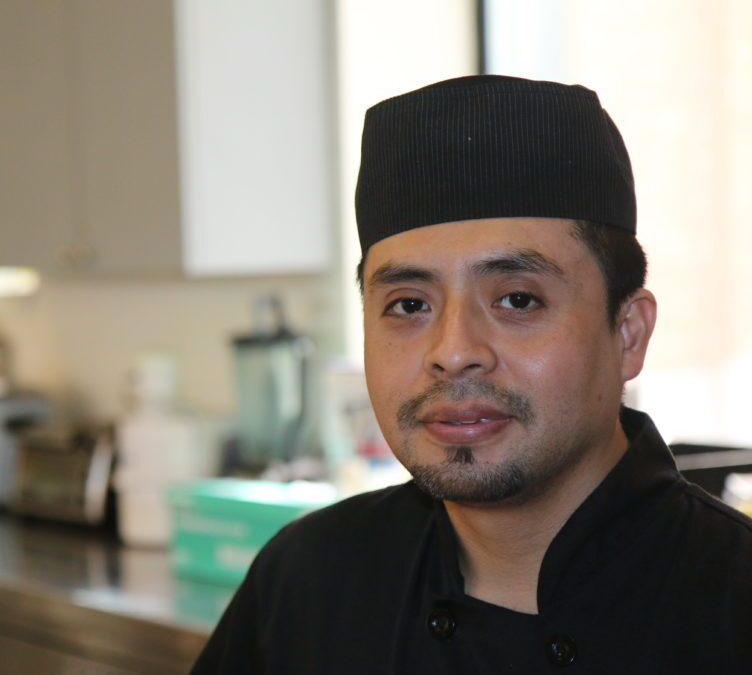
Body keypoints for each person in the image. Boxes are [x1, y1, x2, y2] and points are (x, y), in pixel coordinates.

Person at [191, 75, 752, 673]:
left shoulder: (733, 603)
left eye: (517, 299)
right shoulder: (309, 580)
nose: (453, 352)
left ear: (628, 333)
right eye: (409, 304)